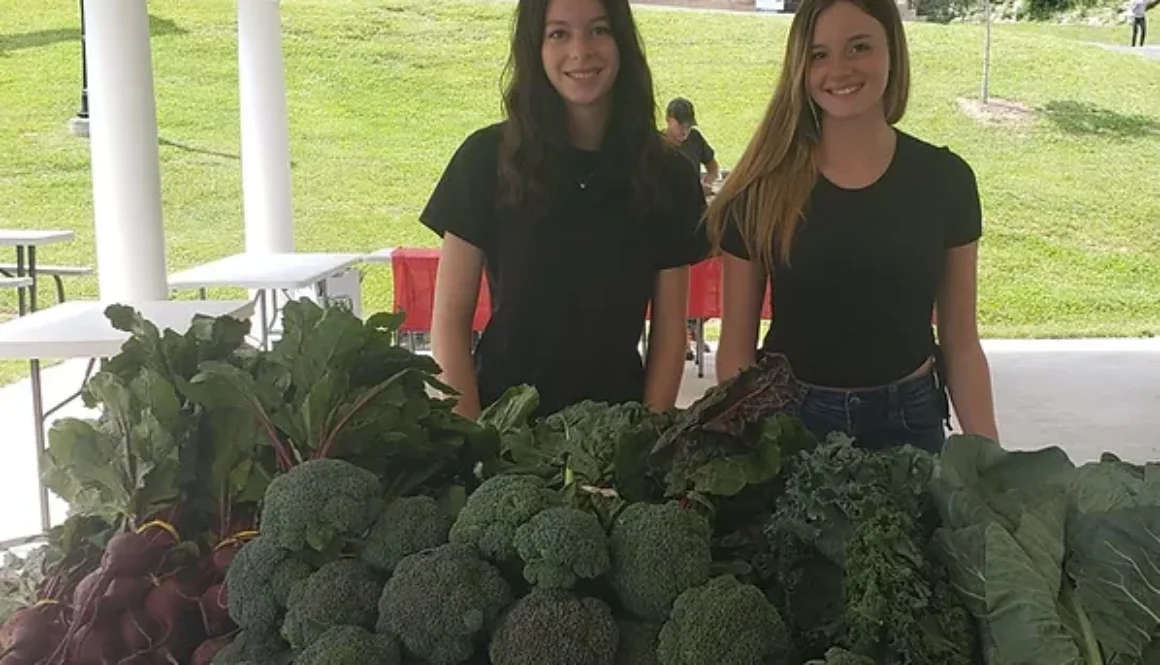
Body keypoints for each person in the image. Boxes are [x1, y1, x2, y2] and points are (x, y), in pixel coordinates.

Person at [705, 0, 998, 452]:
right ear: (800, 69)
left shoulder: (946, 180)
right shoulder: (760, 190)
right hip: (791, 423)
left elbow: (961, 346)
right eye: (819, 55)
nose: (839, 69)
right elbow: (735, 352)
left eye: (858, 47)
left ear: (892, 51)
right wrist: (745, 448)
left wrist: (989, 462)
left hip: (912, 420)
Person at [422, 0, 708, 420]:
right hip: (502, 427)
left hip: (615, 433)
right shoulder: (483, 159)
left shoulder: (667, 174)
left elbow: (669, 337)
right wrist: (472, 446)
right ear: (534, 48)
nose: (580, 51)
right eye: (558, 33)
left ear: (623, 41)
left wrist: (646, 440)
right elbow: (448, 324)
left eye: (599, 30)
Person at [664, 97, 721, 194]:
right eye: (680, 125)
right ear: (668, 120)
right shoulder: (658, 144)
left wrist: (707, 183)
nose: (685, 131)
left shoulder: (695, 139)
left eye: (688, 126)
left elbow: (713, 167)